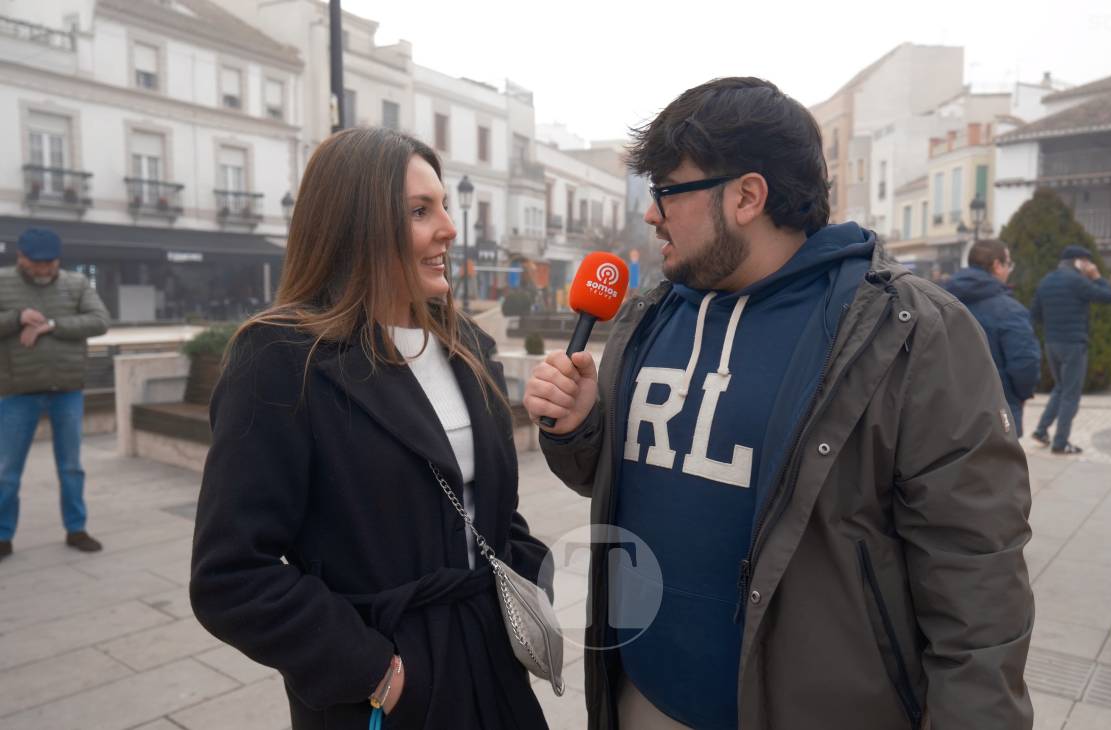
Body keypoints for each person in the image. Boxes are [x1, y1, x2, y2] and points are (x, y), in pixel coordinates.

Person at [524, 77, 1034, 730]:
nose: (651, 214)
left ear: (746, 196)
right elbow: (617, 481)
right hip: (638, 699)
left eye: (666, 193)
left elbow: (977, 576)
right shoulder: (651, 313)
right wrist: (580, 428)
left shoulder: (907, 329)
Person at [189, 128, 551, 730]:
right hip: (384, 693)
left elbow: (487, 502)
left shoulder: (467, 348)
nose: (448, 229)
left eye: (443, 206)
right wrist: (372, 669)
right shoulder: (281, 360)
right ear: (355, 225)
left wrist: (527, 578)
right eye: (418, 211)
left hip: (492, 668)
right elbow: (230, 573)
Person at [0, 228, 110, 562]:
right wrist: (17, 318)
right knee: (7, 469)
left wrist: (51, 324)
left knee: (71, 466)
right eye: (38, 263)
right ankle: (3, 535)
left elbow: (100, 320)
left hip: (67, 389)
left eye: (51, 263)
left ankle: (76, 529)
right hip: (17, 389)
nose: (45, 269)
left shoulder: (76, 283)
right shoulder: (3, 281)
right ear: (21, 258)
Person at [943, 239, 1041, 436]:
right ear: (997, 266)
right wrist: (1021, 394)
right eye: (1009, 264)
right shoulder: (1010, 311)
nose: (1009, 270)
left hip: (947, 408)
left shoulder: (939, 301)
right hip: (997, 409)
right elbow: (1025, 363)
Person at [1029, 245, 1111, 454]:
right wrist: (1096, 276)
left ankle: (1041, 430)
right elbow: (1108, 296)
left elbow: (1035, 315)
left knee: (1060, 388)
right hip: (1073, 344)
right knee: (1070, 394)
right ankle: (1061, 443)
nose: (1089, 265)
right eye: (1087, 261)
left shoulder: (1046, 281)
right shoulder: (1078, 281)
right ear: (1079, 262)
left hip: (1051, 343)